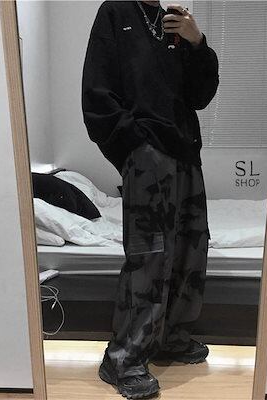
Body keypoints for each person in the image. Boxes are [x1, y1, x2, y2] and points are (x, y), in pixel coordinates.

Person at [82, 1, 219, 398]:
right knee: (150, 255)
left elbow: (200, 96)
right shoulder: (115, 12)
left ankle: (170, 337)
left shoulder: (175, 24)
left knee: (190, 249)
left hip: (186, 153)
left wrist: (197, 43)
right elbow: (96, 93)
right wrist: (135, 148)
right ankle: (123, 358)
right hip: (146, 155)